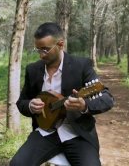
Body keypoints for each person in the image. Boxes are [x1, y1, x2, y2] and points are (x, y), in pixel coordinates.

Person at [10, 22, 114, 166]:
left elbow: (107, 98)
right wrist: (30, 106)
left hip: (77, 133)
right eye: (38, 49)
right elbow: (21, 102)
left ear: (60, 44)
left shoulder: (82, 65)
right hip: (46, 132)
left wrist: (84, 105)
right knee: (17, 164)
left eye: (45, 50)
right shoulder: (33, 70)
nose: (41, 55)